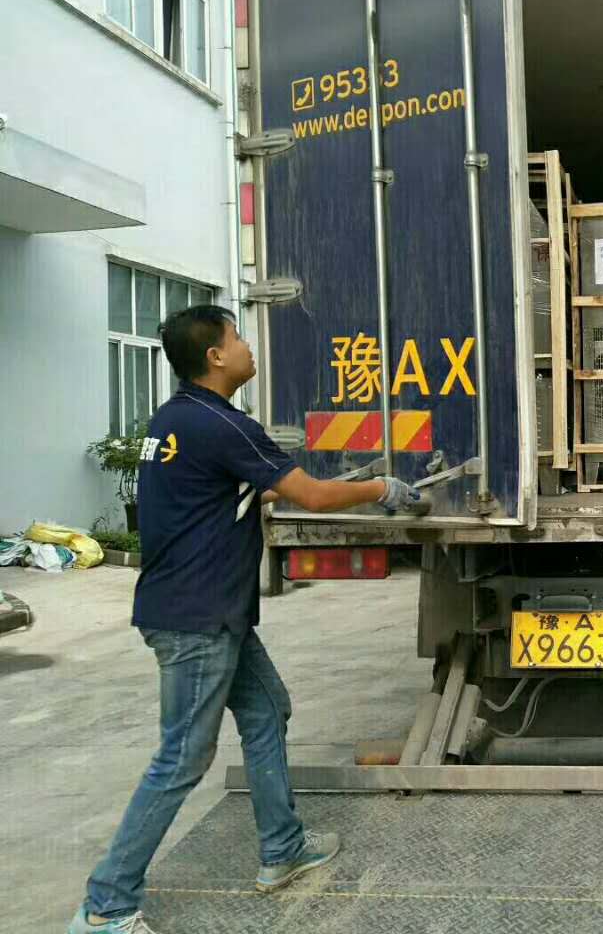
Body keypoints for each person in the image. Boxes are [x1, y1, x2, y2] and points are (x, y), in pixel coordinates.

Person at [69, 306, 421, 934]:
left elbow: (219, 488)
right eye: (237, 337)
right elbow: (311, 495)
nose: (247, 345)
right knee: (182, 758)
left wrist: (281, 484)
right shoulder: (226, 424)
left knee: (266, 710)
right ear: (214, 356)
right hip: (198, 619)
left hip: (201, 610)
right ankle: (107, 905)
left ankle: (282, 850)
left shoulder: (175, 419)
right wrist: (379, 489)